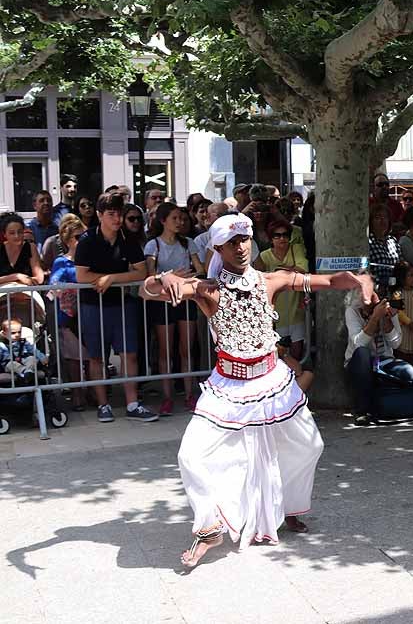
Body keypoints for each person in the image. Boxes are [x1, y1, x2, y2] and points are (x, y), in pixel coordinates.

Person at [141, 213, 372, 568]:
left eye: (245, 239)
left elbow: (327, 280)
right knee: (191, 456)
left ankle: (289, 507)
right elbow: (148, 291)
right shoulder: (208, 288)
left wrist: (359, 278)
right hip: (229, 387)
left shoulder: (270, 280)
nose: (241, 247)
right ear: (218, 247)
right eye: (232, 242)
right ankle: (208, 527)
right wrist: (163, 276)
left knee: (310, 445)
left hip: (272, 382)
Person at [74, 192, 158, 423]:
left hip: (123, 304)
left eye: (119, 213)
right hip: (93, 305)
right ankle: (103, 404)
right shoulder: (87, 240)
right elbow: (82, 275)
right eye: (111, 214)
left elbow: (141, 272)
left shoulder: (128, 239)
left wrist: (110, 278)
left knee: (129, 354)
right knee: (97, 357)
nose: (117, 219)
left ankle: (132, 404)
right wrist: (116, 276)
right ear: (100, 215)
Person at [144, 202, 200, 416]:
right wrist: (171, 275)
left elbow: (200, 268)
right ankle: (167, 397)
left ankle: (188, 394)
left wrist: (188, 274)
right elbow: (150, 275)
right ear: (163, 221)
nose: (180, 222)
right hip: (163, 301)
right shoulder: (153, 245)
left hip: (186, 299)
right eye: (175, 218)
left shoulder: (188, 243)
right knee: (165, 350)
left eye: (182, 218)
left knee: (186, 348)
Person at [345, 287, 413, 426]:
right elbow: (358, 343)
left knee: (408, 371)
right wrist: (375, 318)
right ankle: (362, 412)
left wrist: (386, 320)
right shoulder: (352, 312)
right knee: (362, 353)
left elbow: (396, 343)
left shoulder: (387, 307)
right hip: (360, 364)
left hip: (384, 362)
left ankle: (399, 405)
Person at [48, 215, 89, 411]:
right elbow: (53, 284)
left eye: (84, 235)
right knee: (74, 357)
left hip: (90, 311)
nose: (82, 240)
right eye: (78, 236)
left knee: (92, 356)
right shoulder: (61, 261)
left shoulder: (91, 259)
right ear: (67, 239)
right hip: (69, 316)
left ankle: (92, 392)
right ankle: (77, 395)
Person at [254, 218, 307, 360]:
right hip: (276, 313)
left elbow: (303, 270)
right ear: (271, 239)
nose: (282, 238)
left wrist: (278, 270)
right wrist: (290, 271)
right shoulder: (264, 256)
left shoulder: (296, 249)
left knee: (297, 353)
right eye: (277, 235)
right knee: (279, 354)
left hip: (296, 309)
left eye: (285, 235)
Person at [392, 261, 413, 375]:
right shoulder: (397, 293)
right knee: (404, 356)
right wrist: (409, 323)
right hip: (405, 329)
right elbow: (398, 311)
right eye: (410, 275)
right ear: (401, 277)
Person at [0, 213, 45, 286]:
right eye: (12, 233)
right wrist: (16, 276)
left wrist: (16, 283)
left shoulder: (30, 247)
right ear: (5, 234)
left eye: (20, 232)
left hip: (26, 293)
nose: (16, 236)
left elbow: (39, 278)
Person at [368, 203, 401, 295]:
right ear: (371, 221)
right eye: (377, 217)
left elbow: (400, 265)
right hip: (376, 291)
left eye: (385, 217)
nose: (382, 220)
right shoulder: (367, 242)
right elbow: (364, 269)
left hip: (395, 290)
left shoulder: (393, 240)